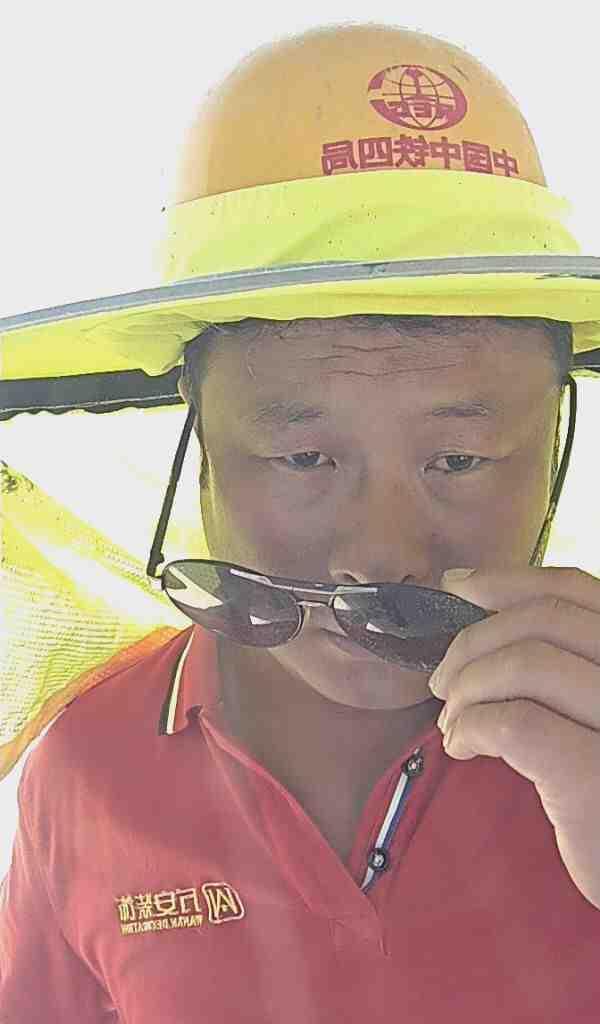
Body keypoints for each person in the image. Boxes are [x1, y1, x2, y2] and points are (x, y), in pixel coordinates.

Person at [2, 22, 600, 1023]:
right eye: (305, 459)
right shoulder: (86, 763)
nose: (381, 552)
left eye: (459, 460)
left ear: (553, 448)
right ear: (199, 440)